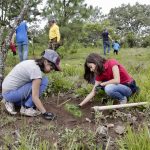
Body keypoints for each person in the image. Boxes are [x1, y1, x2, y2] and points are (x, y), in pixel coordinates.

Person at [2, 49, 61, 120]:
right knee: (44, 81)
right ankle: (26, 108)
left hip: (7, 92)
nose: (51, 70)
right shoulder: (36, 71)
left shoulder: (33, 63)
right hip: (9, 94)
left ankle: (12, 102)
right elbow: (35, 97)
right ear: (45, 62)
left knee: (39, 82)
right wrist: (44, 113)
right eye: (52, 68)